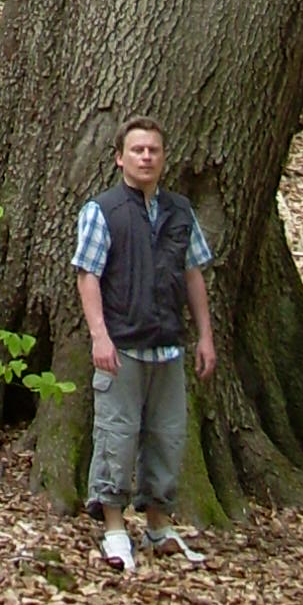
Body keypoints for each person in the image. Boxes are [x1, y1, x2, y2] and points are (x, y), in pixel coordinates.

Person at [72, 117, 216, 572]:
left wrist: (205, 336)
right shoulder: (103, 210)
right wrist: (99, 336)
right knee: (116, 435)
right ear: (120, 157)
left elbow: (194, 273)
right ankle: (114, 529)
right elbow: (87, 275)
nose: (146, 157)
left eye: (153, 150)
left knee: (168, 438)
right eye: (137, 150)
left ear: (163, 158)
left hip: (169, 346)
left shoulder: (180, 212)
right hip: (122, 346)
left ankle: (158, 524)